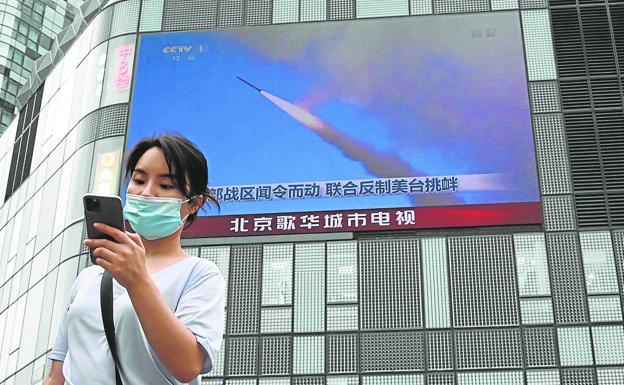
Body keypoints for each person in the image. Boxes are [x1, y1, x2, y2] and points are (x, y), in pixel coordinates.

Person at [43, 134, 226, 385]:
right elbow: (57, 376)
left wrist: (137, 280)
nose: (147, 192)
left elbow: (188, 365)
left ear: (193, 203)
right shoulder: (90, 277)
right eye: (139, 180)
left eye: (166, 185)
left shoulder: (199, 274)